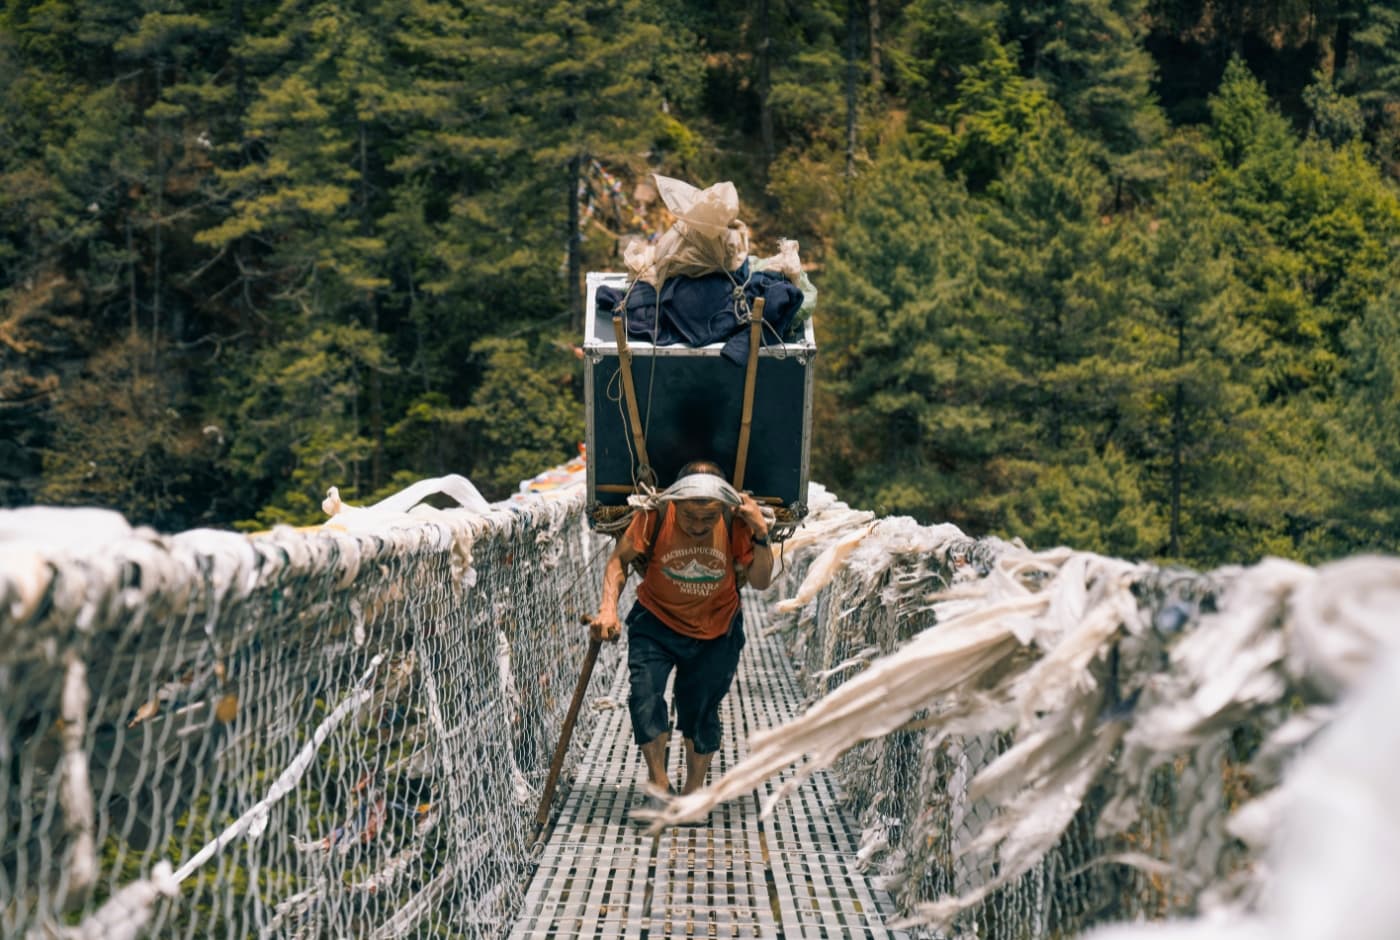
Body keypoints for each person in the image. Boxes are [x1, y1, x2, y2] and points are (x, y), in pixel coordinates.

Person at [589, 461, 775, 806]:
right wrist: (608, 608)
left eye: (709, 518)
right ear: (673, 503)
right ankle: (659, 784)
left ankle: (692, 794)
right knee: (644, 696)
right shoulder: (655, 515)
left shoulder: (737, 522)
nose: (698, 526)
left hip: (717, 627)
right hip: (656, 620)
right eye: (690, 516)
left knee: (701, 709)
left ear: (725, 508)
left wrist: (761, 532)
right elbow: (619, 561)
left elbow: (762, 582)